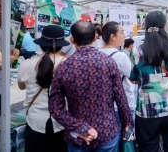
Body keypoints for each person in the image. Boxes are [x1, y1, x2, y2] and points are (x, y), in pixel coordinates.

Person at [49, 21, 133, 152]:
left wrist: (80, 127)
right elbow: (121, 98)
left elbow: (55, 107)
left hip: (78, 136)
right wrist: (128, 123)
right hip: (107, 131)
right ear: (95, 37)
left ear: (72, 39)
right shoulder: (108, 63)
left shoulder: (64, 67)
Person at [129, 11, 168, 152]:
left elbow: (133, 78)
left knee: (148, 148)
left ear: (145, 26)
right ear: (165, 27)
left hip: (147, 111)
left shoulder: (137, 51)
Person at [17, 25, 69, 152]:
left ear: (40, 44)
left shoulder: (26, 64)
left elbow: (21, 86)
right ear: (62, 45)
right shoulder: (69, 64)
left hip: (35, 121)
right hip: (61, 122)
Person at [99, 22, 135, 121]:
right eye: (122, 32)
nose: (124, 36)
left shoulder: (97, 53)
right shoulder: (121, 56)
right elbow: (133, 78)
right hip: (123, 104)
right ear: (113, 36)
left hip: (103, 104)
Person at [0, 0, 20, 116]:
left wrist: (13, 51)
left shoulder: (4, 28)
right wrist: (5, 62)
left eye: (3, 7)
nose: (0, 11)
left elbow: (5, 52)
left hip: (2, 85)